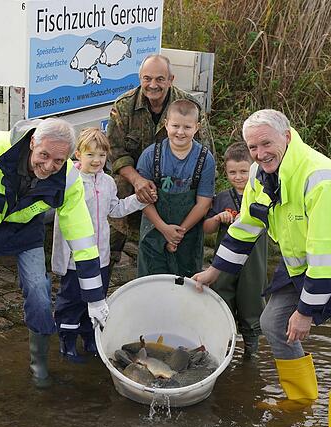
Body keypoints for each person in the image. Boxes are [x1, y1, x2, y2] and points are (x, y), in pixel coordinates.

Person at [193, 109, 331, 427]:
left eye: (266, 143)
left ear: (288, 136)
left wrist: (306, 312)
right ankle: (301, 400)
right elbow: (247, 225)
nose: (260, 153)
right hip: (304, 261)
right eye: (253, 147)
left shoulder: (321, 180)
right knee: (272, 322)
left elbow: (326, 256)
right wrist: (215, 271)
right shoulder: (258, 173)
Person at [0, 118, 108, 388]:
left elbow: (82, 238)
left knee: (39, 291)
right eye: (43, 155)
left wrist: (94, 298)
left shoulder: (69, 178)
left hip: (25, 230)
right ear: (32, 142)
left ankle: (39, 364)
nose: (48, 166)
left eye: (58, 160)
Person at [107, 54, 214, 268]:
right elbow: (115, 152)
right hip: (135, 177)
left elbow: (205, 151)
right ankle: (109, 265)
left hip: (178, 178)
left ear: (171, 79)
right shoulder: (124, 106)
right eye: (147, 79)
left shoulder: (189, 106)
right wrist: (137, 180)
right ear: (140, 78)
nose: (152, 85)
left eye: (159, 79)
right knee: (117, 198)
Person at [51, 128, 146, 363]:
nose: (96, 161)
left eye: (102, 156)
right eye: (90, 155)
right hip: (75, 257)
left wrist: (138, 200)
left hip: (100, 255)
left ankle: (90, 336)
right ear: (77, 155)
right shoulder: (69, 182)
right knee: (72, 299)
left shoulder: (108, 183)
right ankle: (67, 340)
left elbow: (114, 210)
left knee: (97, 297)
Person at [202, 142, 268, 360]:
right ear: (226, 172)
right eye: (232, 172)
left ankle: (251, 353)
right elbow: (207, 228)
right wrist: (217, 218)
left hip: (253, 263)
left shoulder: (262, 194)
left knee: (252, 302)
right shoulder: (221, 198)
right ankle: (224, 351)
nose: (238, 177)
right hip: (224, 263)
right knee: (222, 298)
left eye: (243, 171)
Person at [136, 99, 215, 277]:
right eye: (175, 126)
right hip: (154, 231)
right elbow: (142, 200)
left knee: (185, 286)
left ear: (197, 127)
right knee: (151, 285)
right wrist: (164, 229)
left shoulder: (205, 159)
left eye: (187, 127)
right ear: (166, 125)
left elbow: (203, 204)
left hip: (188, 235)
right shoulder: (150, 155)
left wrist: (178, 234)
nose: (180, 132)